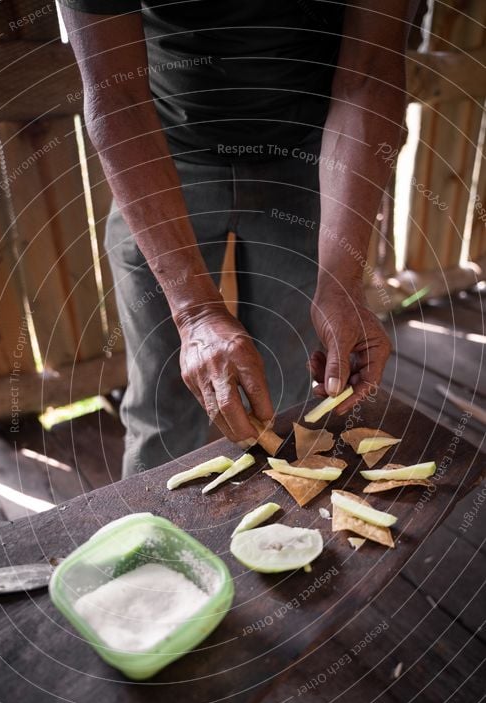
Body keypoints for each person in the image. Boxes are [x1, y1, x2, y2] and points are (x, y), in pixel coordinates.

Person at [59, 0, 415, 477]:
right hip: (161, 153)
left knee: (293, 391)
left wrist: (342, 281)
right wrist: (194, 310)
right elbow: (114, 95)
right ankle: (148, 545)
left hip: (311, 155)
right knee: (161, 408)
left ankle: (289, 537)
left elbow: (371, 72)